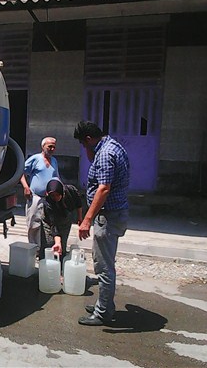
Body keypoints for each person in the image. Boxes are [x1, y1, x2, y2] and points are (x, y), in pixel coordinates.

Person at [74, 121, 130, 326]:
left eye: (82, 143)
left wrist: (87, 219)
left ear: (88, 139)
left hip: (108, 216)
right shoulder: (113, 146)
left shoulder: (105, 154)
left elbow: (103, 189)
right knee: (106, 262)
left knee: (103, 266)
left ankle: (103, 313)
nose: (83, 148)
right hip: (114, 213)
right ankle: (105, 304)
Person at [20, 137, 60, 247]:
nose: (52, 149)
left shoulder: (54, 161)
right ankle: (34, 249)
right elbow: (20, 172)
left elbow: (56, 178)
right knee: (33, 224)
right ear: (43, 147)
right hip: (35, 197)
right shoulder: (35, 159)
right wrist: (26, 187)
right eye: (49, 146)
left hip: (49, 199)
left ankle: (44, 248)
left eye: (54, 147)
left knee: (49, 224)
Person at [40, 178, 83, 262]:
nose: (55, 197)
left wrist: (80, 218)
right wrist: (57, 242)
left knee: (62, 244)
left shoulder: (71, 191)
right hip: (49, 221)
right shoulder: (48, 203)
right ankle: (45, 263)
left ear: (62, 192)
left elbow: (79, 204)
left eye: (57, 195)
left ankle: (60, 266)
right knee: (49, 243)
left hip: (66, 218)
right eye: (52, 195)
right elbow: (53, 225)